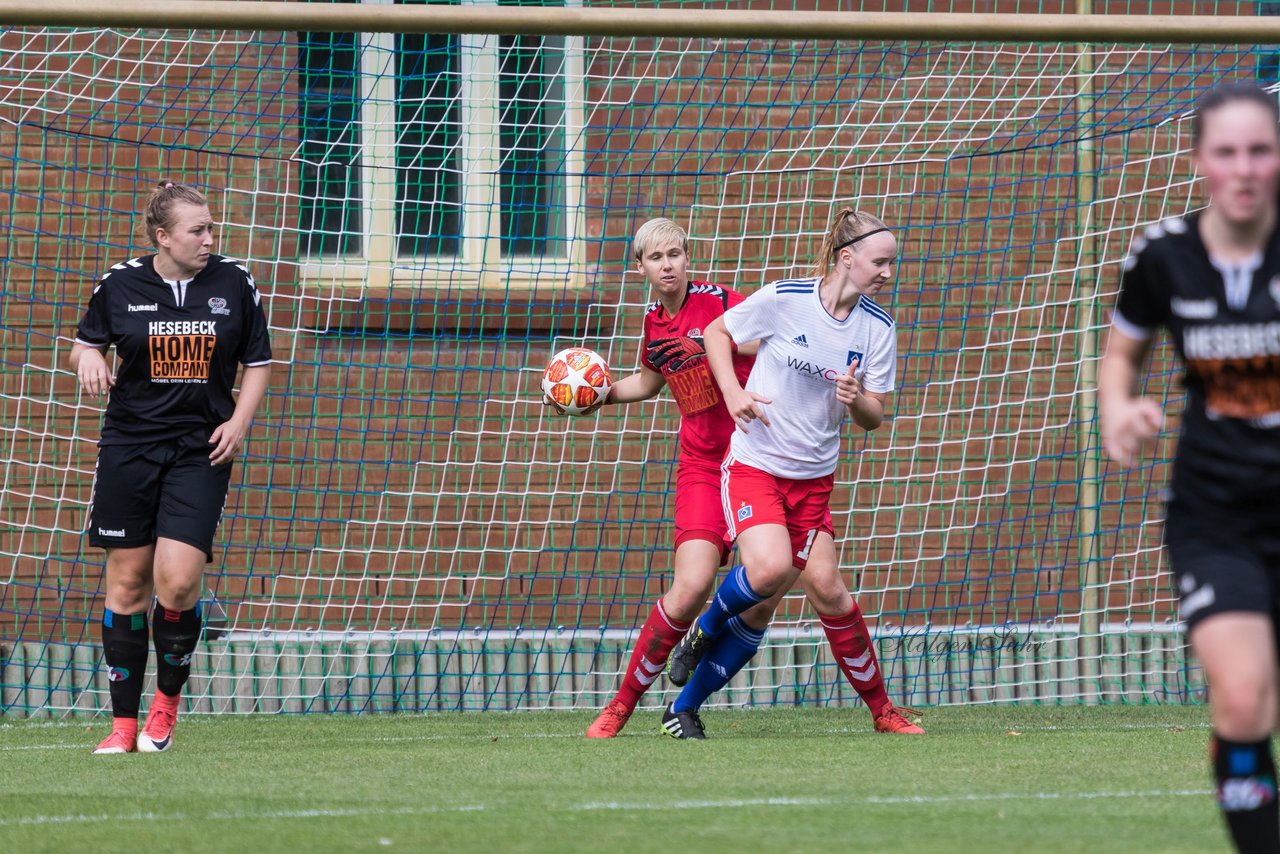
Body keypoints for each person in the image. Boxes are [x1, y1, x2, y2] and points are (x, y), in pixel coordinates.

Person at [1100, 81, 1280, 852]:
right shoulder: (1163, 253)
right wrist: (1119, 408)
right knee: (1242, 701)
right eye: (1228, 152)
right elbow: (1122, 351)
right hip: (1217, 517)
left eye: (1261, 151)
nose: (1244, 168)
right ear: (1200, 159)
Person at [664, 208, 924, 737]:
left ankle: (882, 713)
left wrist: (856, 402)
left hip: (814, 479)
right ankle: (704, 628)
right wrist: (734, 394)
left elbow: (874, 416)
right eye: (880, 262)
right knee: (769, 572)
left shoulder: (877, 327)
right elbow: (717, 333)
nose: (888, 273)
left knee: (826, 589)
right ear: (846, 258)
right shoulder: (787, 299)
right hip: (757, 463)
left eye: (892, 263)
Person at [560, 218, 783, 739]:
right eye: (656, 258)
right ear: (639, 267)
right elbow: (649, 381)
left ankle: (687, 697)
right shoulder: (653, 323)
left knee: (767, 588)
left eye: (676, 254)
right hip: (703, 467)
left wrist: (722, 349)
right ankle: (621, 705)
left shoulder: (724, 302)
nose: (668, 265)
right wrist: (596, 394)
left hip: (757, 460)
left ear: (688, 259)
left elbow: (772, 344)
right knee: (688, 589)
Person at [70, 181, 272, 754]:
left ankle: (166, 706)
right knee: (127, 583)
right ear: (163, 236)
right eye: (197, 230)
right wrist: (87, 357)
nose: (209, 239)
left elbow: (258, 362)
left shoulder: (235, 281)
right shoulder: (120, 282)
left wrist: (237, 423)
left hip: (199, 449)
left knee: (178, 581)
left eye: (210, 228)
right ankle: (123, 727)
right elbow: (84, 344)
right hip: (129, 447)